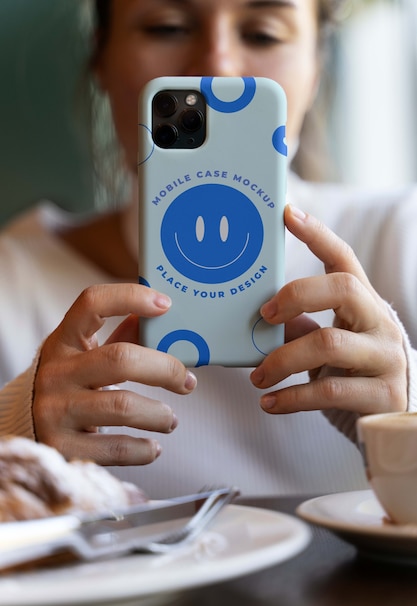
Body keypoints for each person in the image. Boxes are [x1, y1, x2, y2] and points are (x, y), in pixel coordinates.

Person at [0, 0, 416, 498]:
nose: (217, 65)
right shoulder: (13, 283)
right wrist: (19, 432)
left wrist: (405, 419)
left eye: (262, 34)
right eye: (167, 26)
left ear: (316, 67)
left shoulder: (397, 237)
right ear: (101, 60)